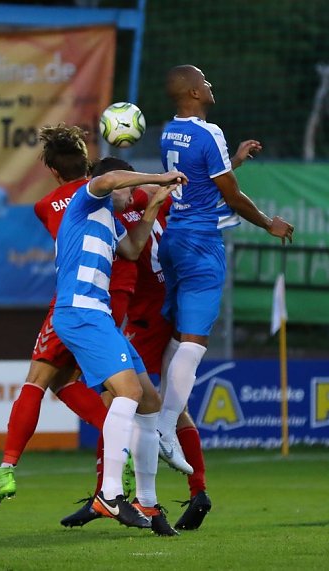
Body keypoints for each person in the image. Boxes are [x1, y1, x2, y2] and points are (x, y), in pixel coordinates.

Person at [154, 64, 295, 474]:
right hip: (201, 243)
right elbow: (230, 196)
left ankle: (157, 413)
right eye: (204, 80)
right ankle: (164, 426)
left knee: (178, 336)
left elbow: (200, 180)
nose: (210, 84)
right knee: (195, 343)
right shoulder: (209, 132)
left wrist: (233, 160)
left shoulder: (168, 132)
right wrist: (268, 223)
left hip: (173, 239)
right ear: (193, 93)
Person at [0, 126, 124, 511]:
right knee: (68, 382)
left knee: (37, 382)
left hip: (69, 303)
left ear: (54, 172)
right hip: (104, 300)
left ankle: (7, 468)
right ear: (87, 164)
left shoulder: (44, 206)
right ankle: (119, 439)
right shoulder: (104, 200)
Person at [61, 182, 213, 531]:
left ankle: (112, 495)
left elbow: (131, 242)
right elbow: (189, 186)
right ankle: (187, 491)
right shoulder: (120, 206)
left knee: (127, 398)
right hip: (165, 309)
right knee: (156, 403)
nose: (132, 195)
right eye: (128, 190)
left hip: (140, 317)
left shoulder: (124, 208)